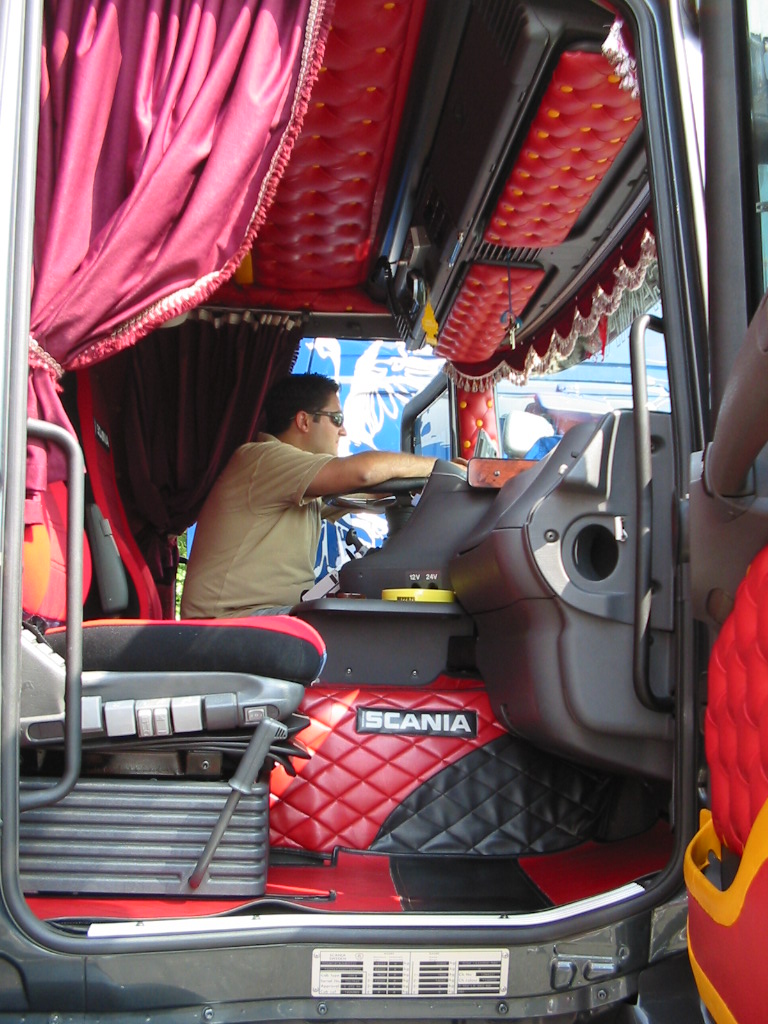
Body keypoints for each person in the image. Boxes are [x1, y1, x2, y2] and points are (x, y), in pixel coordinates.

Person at [180, 373, 443, 618]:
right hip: (231, 622)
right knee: (363, 627)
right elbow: (364, 472)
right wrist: (442, 468)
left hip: (256, 617)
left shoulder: (298, 480)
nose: (343, 431)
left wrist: (415, 484)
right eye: (336, 419)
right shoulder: (264, 460)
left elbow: (371, 491)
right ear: (304, 421)